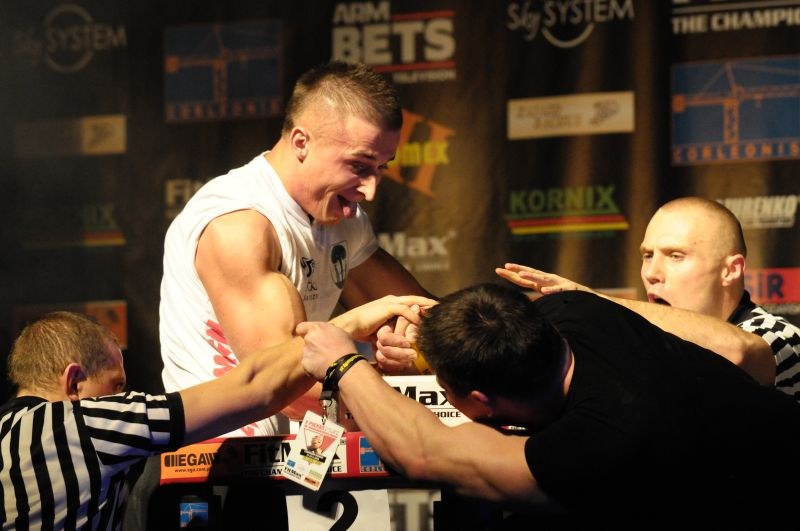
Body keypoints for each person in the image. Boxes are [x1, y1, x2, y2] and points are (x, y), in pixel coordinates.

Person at [297, 283, 800, 527]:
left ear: (480, 402)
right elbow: (490, 327)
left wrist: (344, 364)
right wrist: (430, 353)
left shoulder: (598, 440)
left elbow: (424, 452)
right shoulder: (570, 310)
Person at [159, 60, 432, 437]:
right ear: (301, 142)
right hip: (221, 456)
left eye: (382, 168)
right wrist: (411, 398)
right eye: (359, 166)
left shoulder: (344, 218)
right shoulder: (241, 224)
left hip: (297, 452)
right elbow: (283, 388)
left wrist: (412, 348)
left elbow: (422, 315)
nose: (370, 191)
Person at [0, 296, 431, 530]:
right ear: (74, 382)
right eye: (115, 388)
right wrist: (345, 328)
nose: (123, 398)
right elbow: (253, 388)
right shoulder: (84, 423)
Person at [496, 196, 800, 400]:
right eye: (647, 255)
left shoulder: (779, 337)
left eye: (676, 256)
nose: (652, 273)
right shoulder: (639, 346)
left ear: (730, 270)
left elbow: (736, 353)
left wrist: (594, 302)